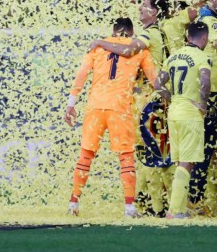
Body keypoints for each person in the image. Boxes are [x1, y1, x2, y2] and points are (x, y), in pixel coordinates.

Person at [64, 18, 157, 218]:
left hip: (95, 107)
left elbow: (81, 75)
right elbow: (154, 80)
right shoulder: (139, 49)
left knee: (86, 155)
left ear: (114, 31)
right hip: (119, 108)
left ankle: (73, 202)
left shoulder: (97, 47)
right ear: (131, 33)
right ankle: (130, 208)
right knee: (125, 157)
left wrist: (71, 104)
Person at [154, 21, 212, 219]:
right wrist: (203, 105)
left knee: (181, 162)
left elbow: (157, 84)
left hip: (174, 112)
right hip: (190, 113)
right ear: (204, 38)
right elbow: (205, 81)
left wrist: (171, 98)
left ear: (187, 37)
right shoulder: (202, 57)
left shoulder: (173, 56)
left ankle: (180, 208)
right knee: (186, 164)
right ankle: (174, 211)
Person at [189, 0, 217, 210]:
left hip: (211, 93)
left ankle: (204, 199)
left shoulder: (208, 18)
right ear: (210, 1)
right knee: (211, 149)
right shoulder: (211, 21)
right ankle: (198, 199)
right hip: (214, 95)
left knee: (213, 149)